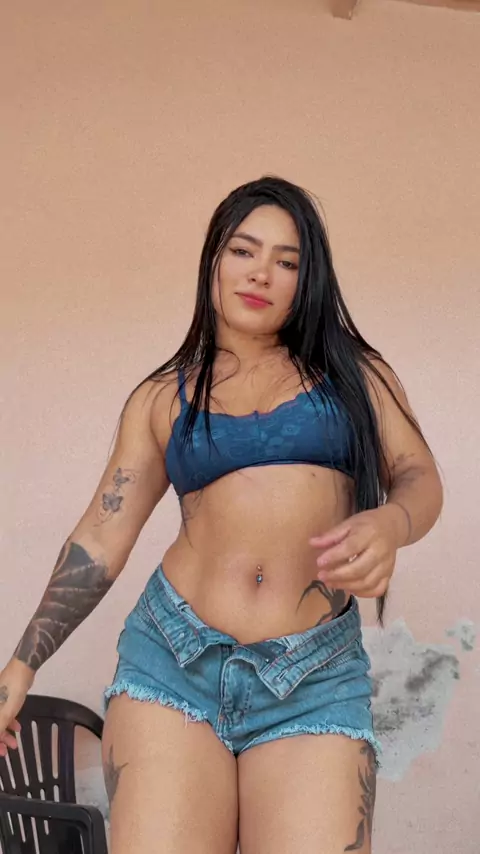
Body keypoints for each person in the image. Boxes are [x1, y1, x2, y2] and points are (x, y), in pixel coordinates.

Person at [0, 176, 442, 853]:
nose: (261, 272)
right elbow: (101, 537)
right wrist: (22, 664)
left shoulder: (357, 377)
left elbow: (418, 475)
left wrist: (392, 523)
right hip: (172, 664)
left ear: (308, 281)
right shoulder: (161, 397)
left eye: (287, 261)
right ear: (213, 259)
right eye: (243, 250)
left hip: (313, 678)